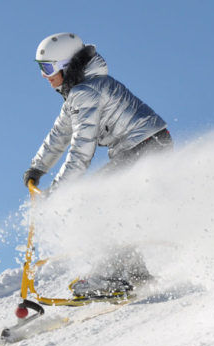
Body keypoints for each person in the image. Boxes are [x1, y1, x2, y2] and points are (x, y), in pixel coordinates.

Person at [23, 32, 173, 298]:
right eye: (40, 69)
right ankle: (134, 273)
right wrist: (37, 168)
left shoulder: (86, 92)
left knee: (96, 201)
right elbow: (60, 134)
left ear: (65, 66)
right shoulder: (80, 92)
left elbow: (81, 149)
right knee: (111, 204)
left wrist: (60, 190)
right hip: (147, 145)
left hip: (145, 147)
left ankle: (109, 276)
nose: (44, 76)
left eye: (47, 68)